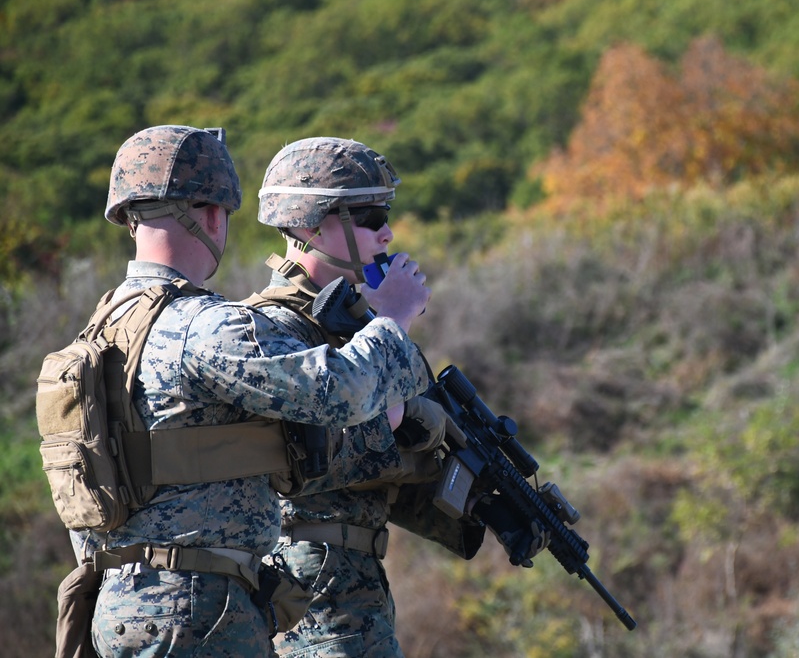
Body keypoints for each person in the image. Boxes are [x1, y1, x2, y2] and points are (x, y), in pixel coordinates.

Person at [70, 125, 431, 658]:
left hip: (119, 601)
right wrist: (394, 319)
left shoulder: (103, 328)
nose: (386, 233)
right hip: (197, 609)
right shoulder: (209, 325)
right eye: (371, 217)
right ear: (213, 214)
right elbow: (341, 395)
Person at [249, 137, 550, 657]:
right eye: (367, 216)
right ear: (310, 226)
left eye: (385, 213)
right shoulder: (267, 330)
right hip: (302, 591)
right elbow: (308, 459)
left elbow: (387, 471)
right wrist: (396, 336)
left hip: (355, 588)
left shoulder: (357, 326)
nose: (386, 231)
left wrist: (481, 506)